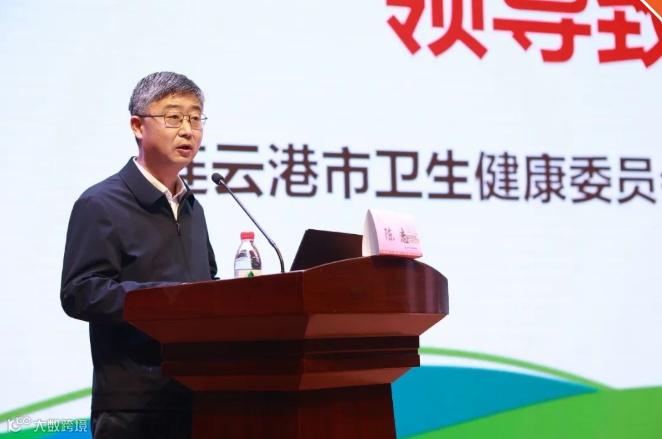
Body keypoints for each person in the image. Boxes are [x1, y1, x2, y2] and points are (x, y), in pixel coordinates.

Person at [60, 72, 218, 439]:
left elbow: (205, 285)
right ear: (137, 126)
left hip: (199, 397)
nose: (188, 130)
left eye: (196, 118)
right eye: (173, 117)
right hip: (133, 407)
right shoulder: (100, 203)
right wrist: (167, 299)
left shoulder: (192, 208)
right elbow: (79, 292)